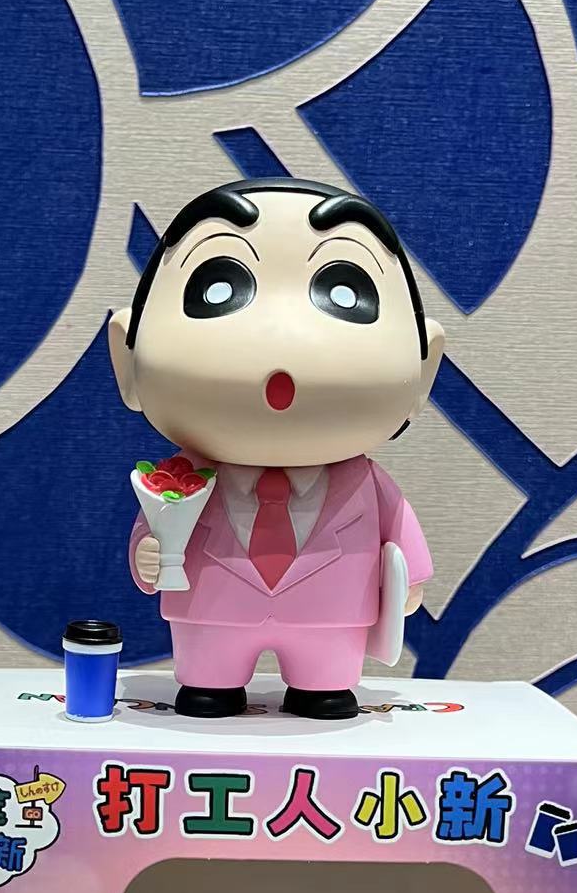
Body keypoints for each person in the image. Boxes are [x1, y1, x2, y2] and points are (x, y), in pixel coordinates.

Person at [110, 177, 443, 719]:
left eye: (345, 293)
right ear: (125, 360)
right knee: (206, 687)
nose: (280, 336)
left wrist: (411, 581)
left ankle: (322, 686)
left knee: (327, 688)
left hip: (331, 612)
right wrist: (147, 552)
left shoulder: (367, 483)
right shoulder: (176, 477)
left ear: (426, 368)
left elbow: (398, 532)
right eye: (217, 288)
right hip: (210, 609)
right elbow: (155, 527)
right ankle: (211, 683)